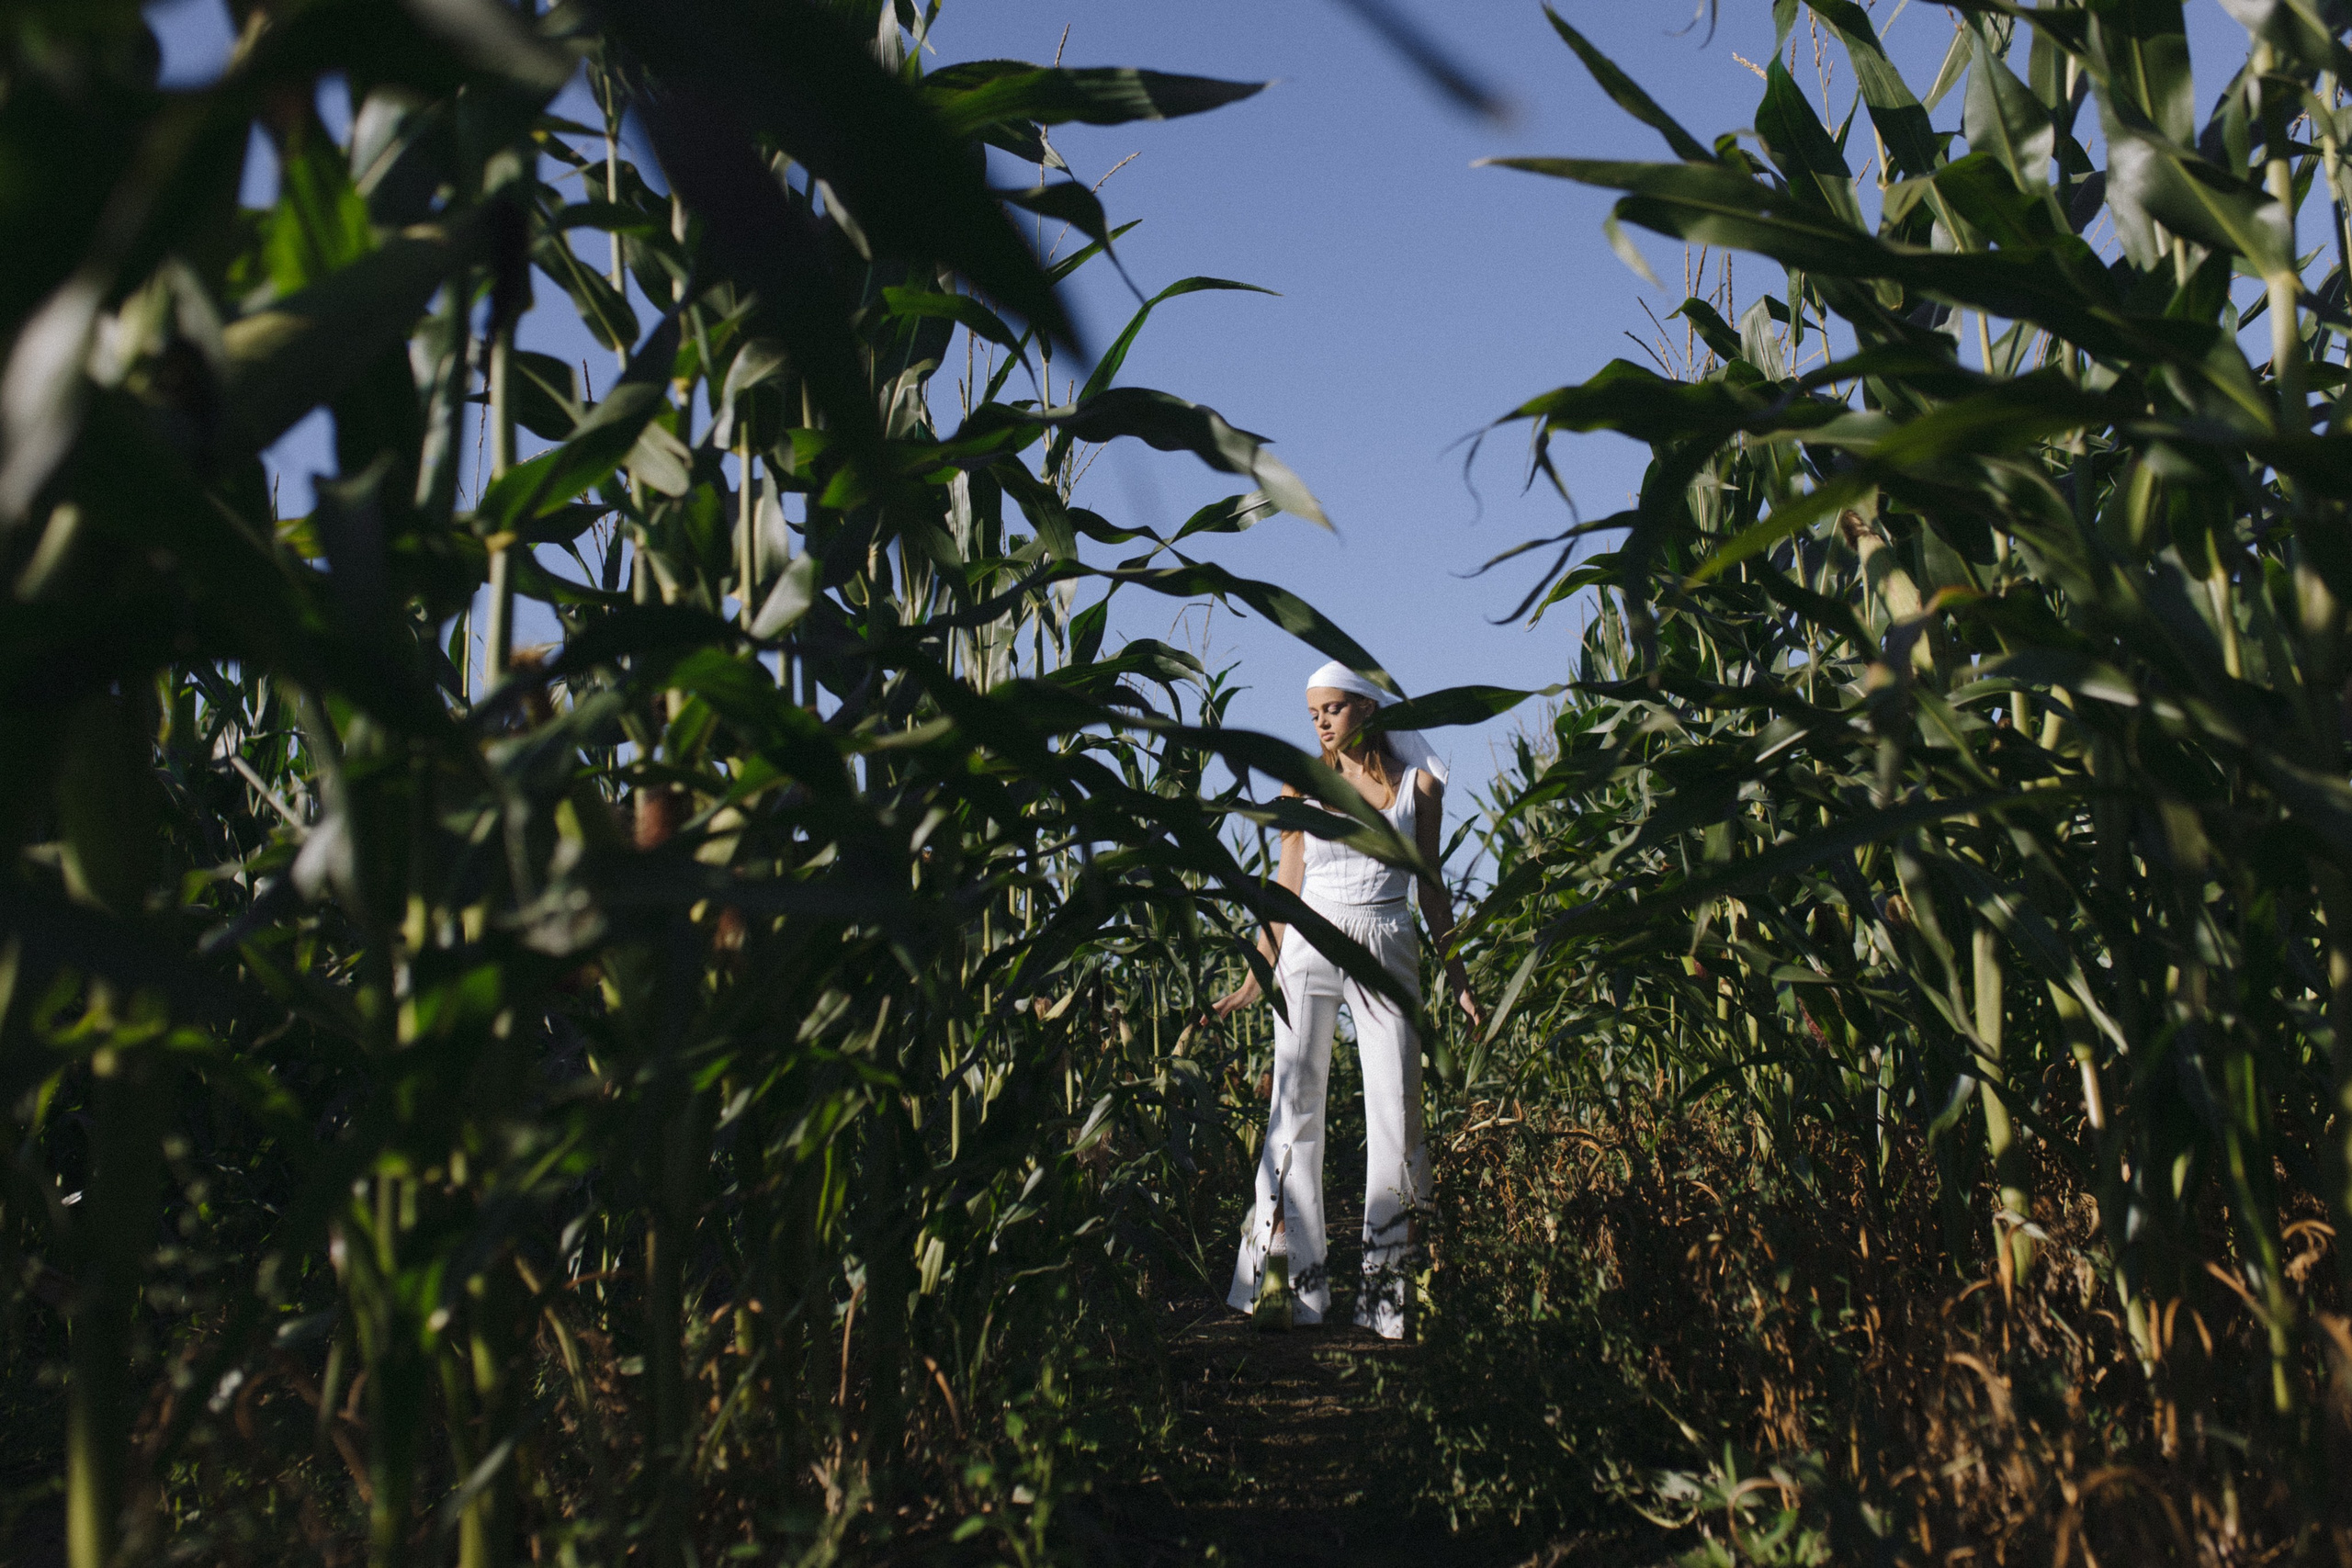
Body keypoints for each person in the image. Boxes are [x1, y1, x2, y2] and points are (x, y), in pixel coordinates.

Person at [1210, 661, 1483, 1338]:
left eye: (1332, 708)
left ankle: (1388, 1299)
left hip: (1388, 940)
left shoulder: (1417, 783)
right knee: (1294, 1107)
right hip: (1310, 941)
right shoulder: (1302, 781)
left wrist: (1458, 973)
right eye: (1313, 713)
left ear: (1367, 708)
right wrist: (1259, 967)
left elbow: (1430, 885)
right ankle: (1296, 1291)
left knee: (1397, 1109)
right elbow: (1286, 882)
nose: (1321, 721)